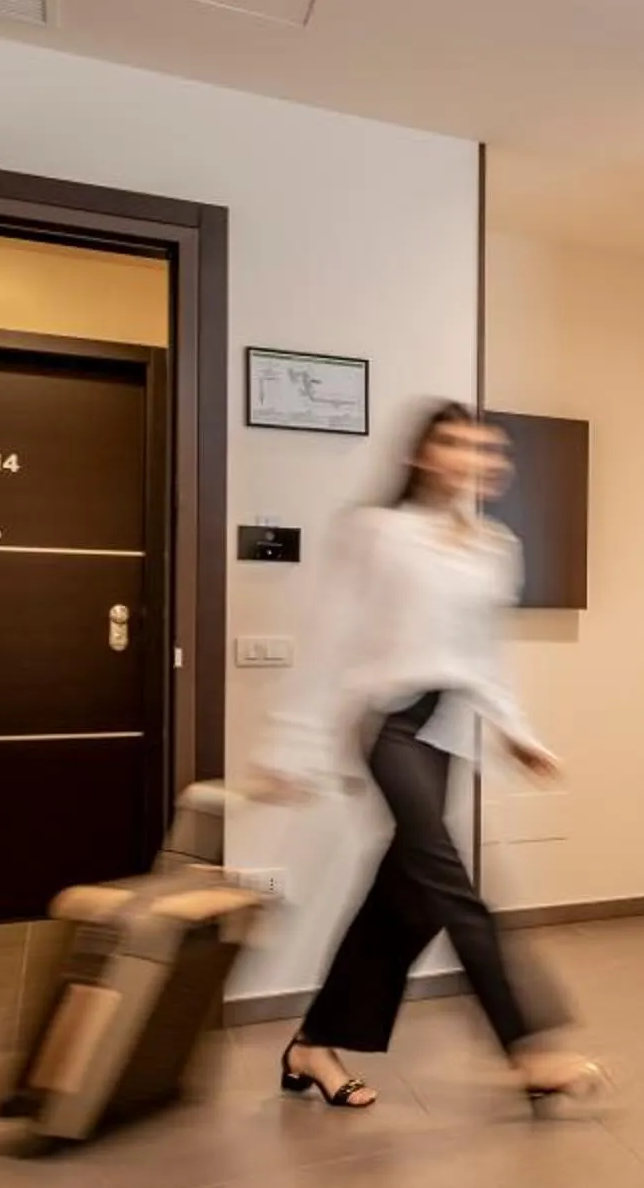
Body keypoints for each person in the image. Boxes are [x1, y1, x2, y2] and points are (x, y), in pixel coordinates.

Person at [254, 401, 603, 1107]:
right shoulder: (376, 532)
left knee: (406, 900)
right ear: (421, 454)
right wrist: (291, 744)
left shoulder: (494, 545)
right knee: (452, 886)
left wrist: (517, 729)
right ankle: (527, 1047)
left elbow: (483, 657)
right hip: (389, 725)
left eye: (485, 448)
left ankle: (312, 1044)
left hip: (446, 729)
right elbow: (330, 641)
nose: (473, 458)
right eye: (455, 444)